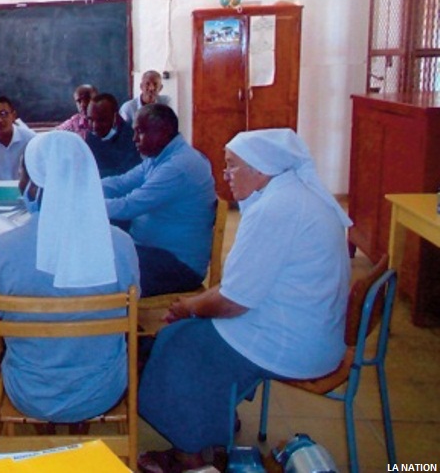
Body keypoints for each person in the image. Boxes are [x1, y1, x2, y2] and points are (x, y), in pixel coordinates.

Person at [137, 128, 351, 472]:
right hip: (310, 330)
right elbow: (238, 287)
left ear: (261, 169)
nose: (226, 174)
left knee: (177, 344)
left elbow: (233, 301)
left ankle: (190, 455)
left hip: (293, 343)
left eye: (232, 165)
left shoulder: (277, 209)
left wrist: (189, 307)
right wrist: (195, 308)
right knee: (192, 334)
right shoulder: (293, 195)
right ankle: (213, 427)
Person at [0, 131, 140, 423]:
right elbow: (133, 305)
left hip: (29, 393)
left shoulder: (1, 249)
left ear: (34, 185)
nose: (20, 183)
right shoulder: (120, 244)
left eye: (23, 174)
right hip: (103, 390)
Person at [102, 103, 215, 297]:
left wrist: (84, 204)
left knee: (100, 271)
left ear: (164, 131)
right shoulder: (159, 157)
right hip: (153, 252)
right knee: (102, 256)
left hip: (178, 266)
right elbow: (121, 183)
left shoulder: (178, 166)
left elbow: (129, 206)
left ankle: (110, 315)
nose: (134, 138)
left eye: (140, 132)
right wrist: (85, 189)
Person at [85, 93, 142, 178]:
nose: (95, 126)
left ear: (115, 116)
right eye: (91, 119)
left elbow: (127, 173)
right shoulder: (91, 136)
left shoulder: (132, 137)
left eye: (101, 120)